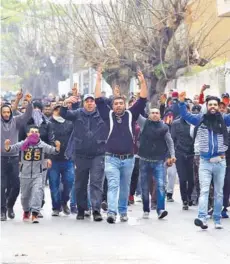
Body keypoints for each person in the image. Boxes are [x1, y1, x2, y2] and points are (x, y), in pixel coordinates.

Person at [95, 68, 148, 224]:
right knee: (113, 184)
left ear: (125, 105)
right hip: (111, 158)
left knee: (124, 187)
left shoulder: (131, 114)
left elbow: (143, 98)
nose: (118, 106)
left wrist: (142, 82)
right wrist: (98, 80)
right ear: (112, 106)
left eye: (120, 103)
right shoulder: (108, 115)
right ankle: (112, 212)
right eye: (116, 104)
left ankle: (123, 211)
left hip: (128, 159)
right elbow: (98, 99)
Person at [179, 92, 230, 229]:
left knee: (219, 192)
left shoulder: (224, 119)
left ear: (218, 107)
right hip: (205, 161)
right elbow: (185, 115)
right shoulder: (200, 119)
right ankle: (202, 218)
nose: (212, 107)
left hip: (220, 161)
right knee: (204, 190)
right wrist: (182, 102)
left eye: (215, 105)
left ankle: (217, 219)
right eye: (210, 105)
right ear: (206, 106)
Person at [60, 93, 107, 222]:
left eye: (92, 101)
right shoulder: (77, 113)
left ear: (95, 103)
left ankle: (96, 210)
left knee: (96, 183)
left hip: (98, 154)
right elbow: (64, 114)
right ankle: (82, 209)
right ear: (84, 103)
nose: (90, 103)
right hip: (80, 155)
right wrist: (65, 103)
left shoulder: (101, 114)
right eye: (87, 101)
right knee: (80, 183)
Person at [4, 125, 61, 223]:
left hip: (38, 174)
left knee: (37, 193)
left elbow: (52, 150)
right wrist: (7, 147)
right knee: (25, 196)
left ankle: (35, 213)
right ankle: (26, 211)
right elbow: (12, 148)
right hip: (24, 175)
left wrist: (57, 147)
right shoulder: (23, 143)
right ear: (27, 134)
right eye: (32, 132)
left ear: (39, 134)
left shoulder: (42, 145)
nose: (34, 133)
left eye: (36, 132)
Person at [137, 108, 175, 219]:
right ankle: (146, 210)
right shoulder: (144, 123)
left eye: (157, 113)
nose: (154, 115)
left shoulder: (164, 127)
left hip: (159, 161)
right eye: (152, 113)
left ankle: (160, 210)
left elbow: (170, 141)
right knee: (144, 187)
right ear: (148, 115)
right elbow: (136, 112)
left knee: (161, 186)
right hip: (144, 160)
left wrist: (172, 155)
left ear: (160, 115)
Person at [19, 101, 55, 218]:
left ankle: (36, 208)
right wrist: (20, 160)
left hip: (41, 160)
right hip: (27, 161)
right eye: (34, 108)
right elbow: (20, 142)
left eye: (39, 109)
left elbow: (50, 141)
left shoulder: (47, 124)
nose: (36, 111)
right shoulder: (25, 124)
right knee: (26, 189)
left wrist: (48, 158)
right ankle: (27, 208)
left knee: (39, 187)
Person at [1, 93, 33, 221]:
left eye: (8, 112)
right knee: (1, 185)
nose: (6, 114)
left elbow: (27, 115)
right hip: (1, 158)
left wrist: (28, 103)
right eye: (4, 112)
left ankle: (9, 206)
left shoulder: (16, 121)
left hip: (14, 157)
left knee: (16, 185)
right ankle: (2, 210)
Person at [49, 105, 74, 216]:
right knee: (54, 185)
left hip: (68, 159)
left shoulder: (69, 122)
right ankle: (56, 207)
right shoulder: (48, 123)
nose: (58, 112)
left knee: (69, 182)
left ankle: (64, 202)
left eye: (59, 109)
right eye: (56, 109)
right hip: (53, 159)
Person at [171, 104, 195, 210]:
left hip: (192, 154)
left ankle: (189, 196)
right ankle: (184, 200)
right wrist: (171, 154)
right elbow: (172, 139)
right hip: (180, 153)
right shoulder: (175, 123)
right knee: (182, 178)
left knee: (192, 180)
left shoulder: (194, 123)